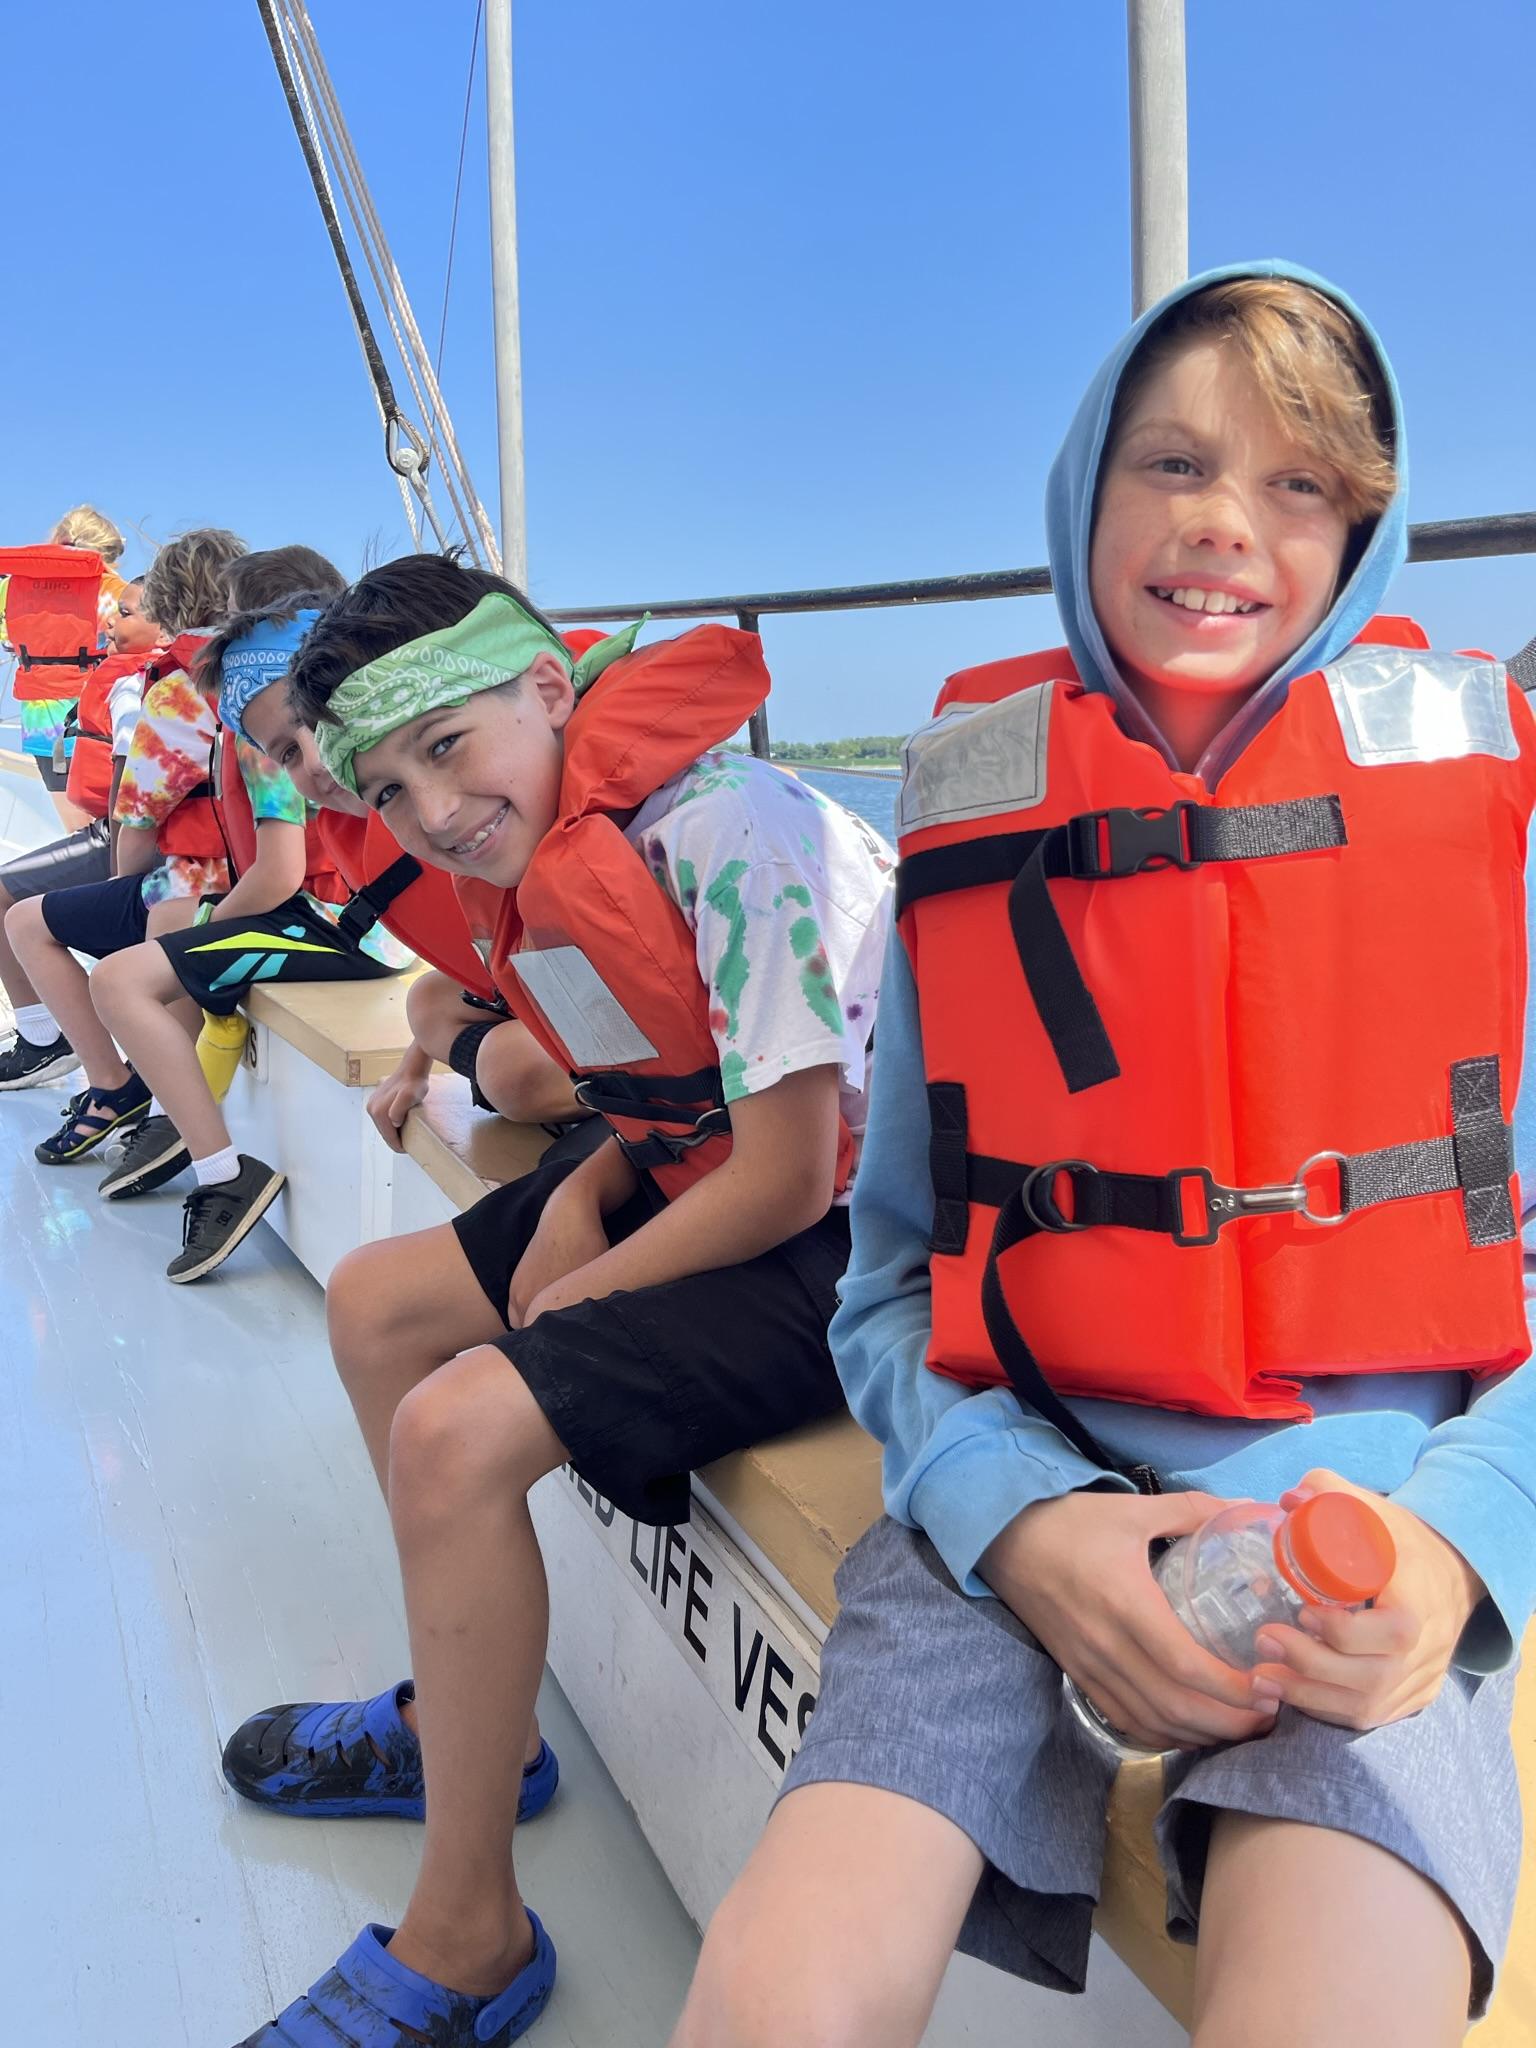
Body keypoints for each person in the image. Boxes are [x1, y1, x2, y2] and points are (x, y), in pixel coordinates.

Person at [673, 262, 1536, 2048]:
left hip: (1362, 1523)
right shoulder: (982, 815)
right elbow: (894, 1276)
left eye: (1300, 484)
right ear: (1084, 488)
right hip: (1018, 1468)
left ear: (1365, 531)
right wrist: (1022, 1521)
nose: (1228, 524)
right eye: (1172, 463)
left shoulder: (1477, 828)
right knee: (778, 1991)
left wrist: (1451, 1556)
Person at [221, 553, 894, 2046]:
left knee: (460, 1429)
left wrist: (579, 1289)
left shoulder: (736, 832)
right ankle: (485, 1736)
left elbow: (792, 1177)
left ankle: (470, 1935)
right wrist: (584, 1194)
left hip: (852, 1237)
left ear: (544, 689)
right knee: (379, 1306)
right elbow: (631, 1090)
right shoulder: (548, 856)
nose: (433, 813)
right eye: (386, 791)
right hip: (690, 1173)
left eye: (447, 748)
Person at [89, 586, 431, 1283]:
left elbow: (280, 871)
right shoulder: (316, 766)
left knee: (121, 978)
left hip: (354, 939)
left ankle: (220, 1171)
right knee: (156, 947)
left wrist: (210, 924)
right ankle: (174, 1120)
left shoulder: (323, 768)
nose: (310, 766)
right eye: (285, 749)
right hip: (340, 922)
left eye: (308, 737)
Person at [7, 528, 248, 1161]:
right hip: (252, 873)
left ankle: (118, 1088)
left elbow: (136, 820)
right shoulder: (265, 677)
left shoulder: (171, 690)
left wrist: (120, 885)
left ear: (170, 605)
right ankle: (158, 1108)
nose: (115, 618)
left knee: (30, 922)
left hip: (190, 872)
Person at [0, 575, 166, 1088]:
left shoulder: (137, 687)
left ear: (166, 629)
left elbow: (130, 797)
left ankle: (46, 1039)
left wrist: (119, 883)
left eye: (128, 613)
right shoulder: (147, 678)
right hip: (126, 837)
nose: (111, 621)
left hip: (130, 843)